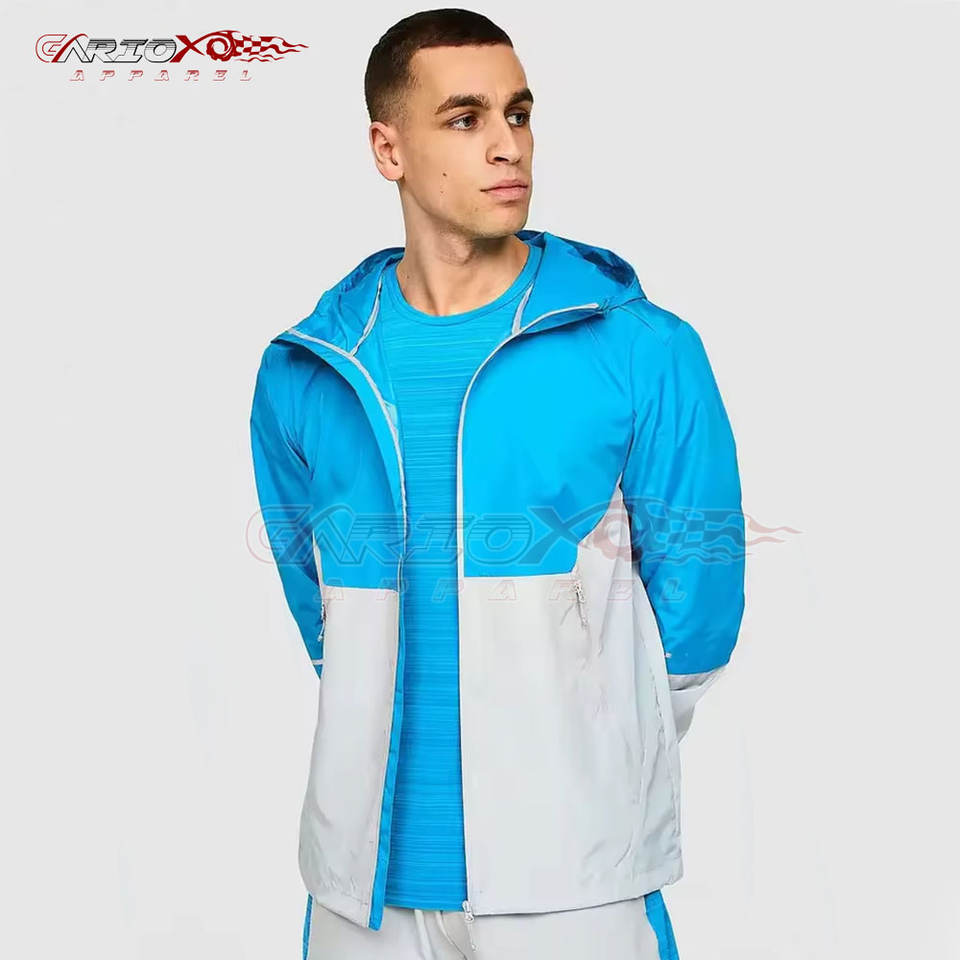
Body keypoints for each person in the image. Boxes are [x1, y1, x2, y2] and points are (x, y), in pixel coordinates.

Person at [249, 8, 745, 959]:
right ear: (388, 149)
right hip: (361, 897)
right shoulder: (307, 368)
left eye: (518, 114)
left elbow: (699, 604)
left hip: (574, 890)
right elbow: (319, 603)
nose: (507, 145)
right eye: (465, 118)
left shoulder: (642, 348)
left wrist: (591, 742)